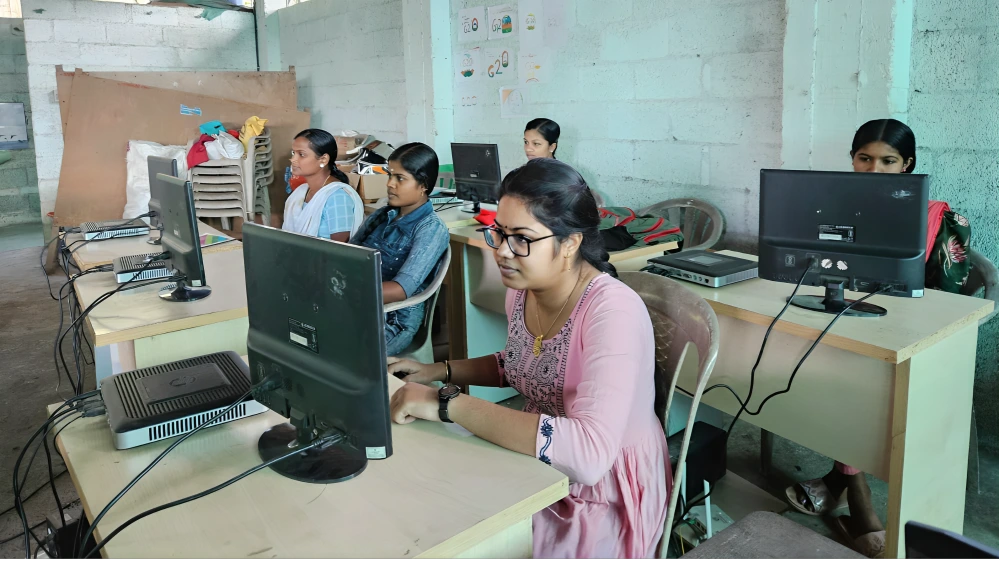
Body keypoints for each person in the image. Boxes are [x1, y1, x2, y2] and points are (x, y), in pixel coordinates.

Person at [387, 158, 670, 558]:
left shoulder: (612, 312)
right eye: (498, 234)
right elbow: (520, 362)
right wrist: (437, 370)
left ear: (569, 243)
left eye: (520, 238)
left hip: (600, 492)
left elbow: (588, 456)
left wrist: (447, 403)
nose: (502, 251)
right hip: (537, 461)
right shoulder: (522, 289)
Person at [786, 118, 972, 559]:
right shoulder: (835, 208)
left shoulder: (943, 219)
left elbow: (949, 303)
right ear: (852, 160)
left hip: (915, 337)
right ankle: (842, 479)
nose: (874, 171)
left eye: (888, 161)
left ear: (907, 164)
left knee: (853, 377)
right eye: (864, 159)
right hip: (851, 321)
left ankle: (853, 489)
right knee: (817, 359)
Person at [350, 142, 449, 356]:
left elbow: (400, 290)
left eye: (400, 178)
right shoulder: (382, 215)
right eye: (389, 176)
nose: (390, 184)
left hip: (393, 319)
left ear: (423, 185)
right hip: (357, 307)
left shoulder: (431, 230)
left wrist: (346, 291)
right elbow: (348, 257)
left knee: (336, 350)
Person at [282, 129, 363, 242]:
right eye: (293, 153)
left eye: (301, 154)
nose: (293, 159)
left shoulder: (337, 197)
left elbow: (340, 251)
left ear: (323, 159)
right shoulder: (301, 192)